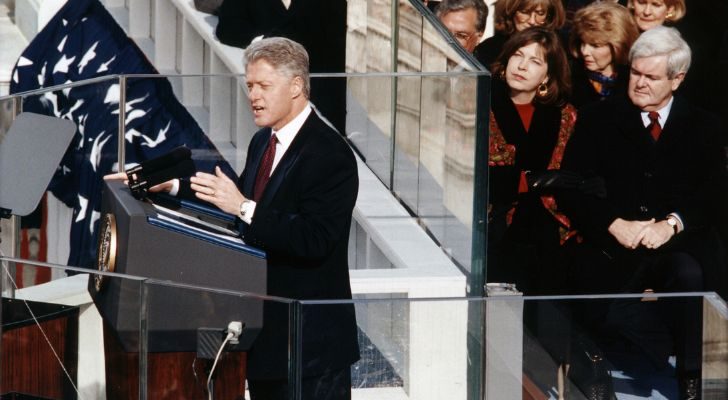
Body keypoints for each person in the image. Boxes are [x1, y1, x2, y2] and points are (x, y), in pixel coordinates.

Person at [110, 37, 360, 400]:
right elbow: (238, 199)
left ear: (295, 87)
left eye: (263, 86)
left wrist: (244, 207)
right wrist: (175, 186)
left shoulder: (330, 153)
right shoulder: (263, 142)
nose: (253, 96)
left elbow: (314, 237)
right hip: (265, 342)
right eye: (249, 86)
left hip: (310, 351)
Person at [560, 26, 727, 399]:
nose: (639, 83)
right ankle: (595, 377)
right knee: (592, 288)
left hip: (677, 243)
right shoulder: (597, 119)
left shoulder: (706, 127)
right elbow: (572, 186)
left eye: (651, 77)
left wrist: (673, 224)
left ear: (677, 79)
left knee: (690, 276)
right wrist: (612, 223)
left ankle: (691, 379)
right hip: (612, 240)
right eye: (635, 72)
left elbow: (713, 194)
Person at [486, 27, 575, 295]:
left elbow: (571, 177)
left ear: (547, 75)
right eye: (517, 55)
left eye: (535, 61)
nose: (522, 66)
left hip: (548, 226)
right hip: (491, 225)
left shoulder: (565, 116)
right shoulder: (479, 101)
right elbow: (473, 174)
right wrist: (529, 181)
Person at [214, 0, 347, 134]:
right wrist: (263, 43)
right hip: (268, 110)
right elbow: (227, 28)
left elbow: (326, 37)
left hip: (318, 99)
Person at [567, 2, 638, 108]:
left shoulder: (634, 81)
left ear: (618, 45)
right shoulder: (569, 77)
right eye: (583, 42)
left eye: (595, 45)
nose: (584, 51)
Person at [474, 0, 565, 68]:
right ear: (511, 11)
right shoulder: (489, 48)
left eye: (540, 13)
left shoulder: (557, 50)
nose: (532, 21)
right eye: (525, 12)